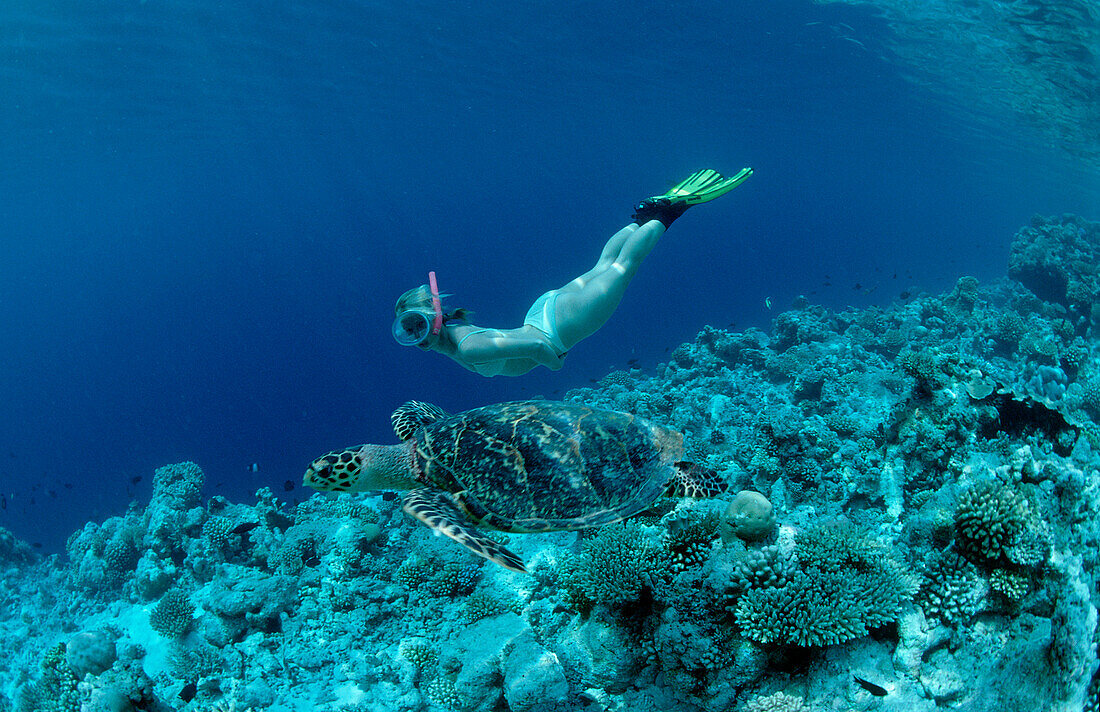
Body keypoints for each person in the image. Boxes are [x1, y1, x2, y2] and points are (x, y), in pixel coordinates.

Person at [391, 167, 753, 377]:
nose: (417, 338)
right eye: (409, 332)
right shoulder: (455, 333)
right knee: (605, 266)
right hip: (545, 311)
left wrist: (555, 365)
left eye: (418, 326)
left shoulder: (466, 349)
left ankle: (670, 211)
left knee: (624, 267)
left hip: (557, 329)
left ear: (434, 318)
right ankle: (644, 217)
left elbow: (535, 347)